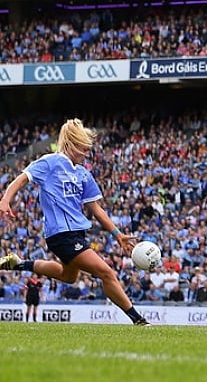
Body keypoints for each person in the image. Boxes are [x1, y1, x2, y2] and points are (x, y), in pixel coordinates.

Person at [0, 119, 149, 326]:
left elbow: (96, 209)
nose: (87, 154)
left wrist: (118, 235)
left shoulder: (83, 174)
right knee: (106, 273)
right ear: (70, 143)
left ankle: (19, 263)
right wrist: (5, 200)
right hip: (61, 234)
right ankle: (138, 320)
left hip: (77, 233)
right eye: (84, 149)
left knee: (68, 276)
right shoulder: (50, 162)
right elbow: (22, 179)